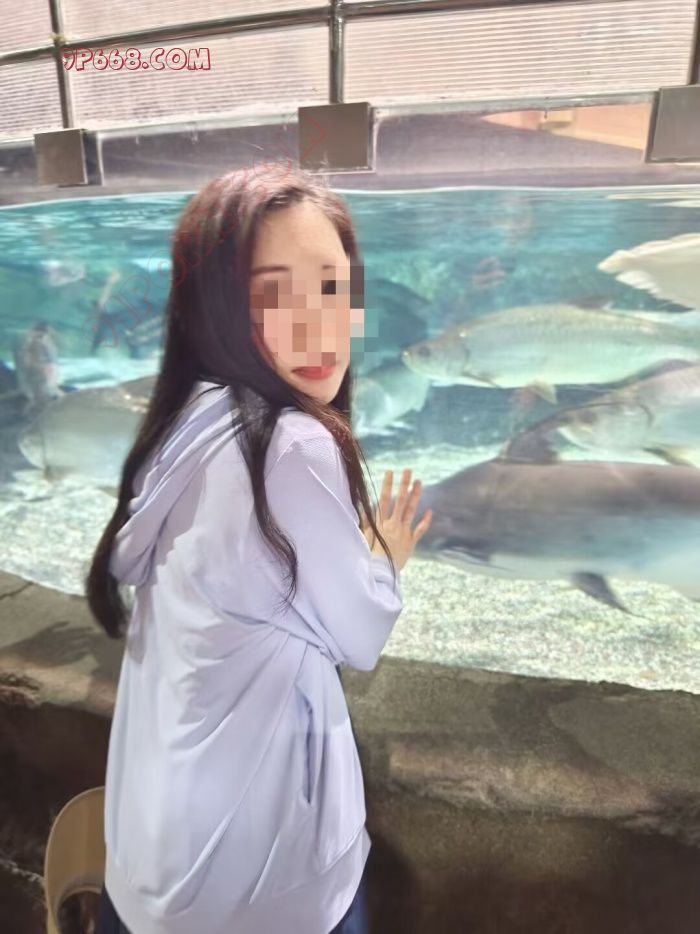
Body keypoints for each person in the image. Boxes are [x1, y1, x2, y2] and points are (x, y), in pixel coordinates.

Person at [86, 165, 433, 934]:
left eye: (333, 289)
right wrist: (383, 556)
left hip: (148, 873)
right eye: (273, 295)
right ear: (216, 309)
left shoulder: (189, 420)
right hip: (265, 890)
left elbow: (251, 593)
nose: (317, 326)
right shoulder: (292, 445)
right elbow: (358, 636)